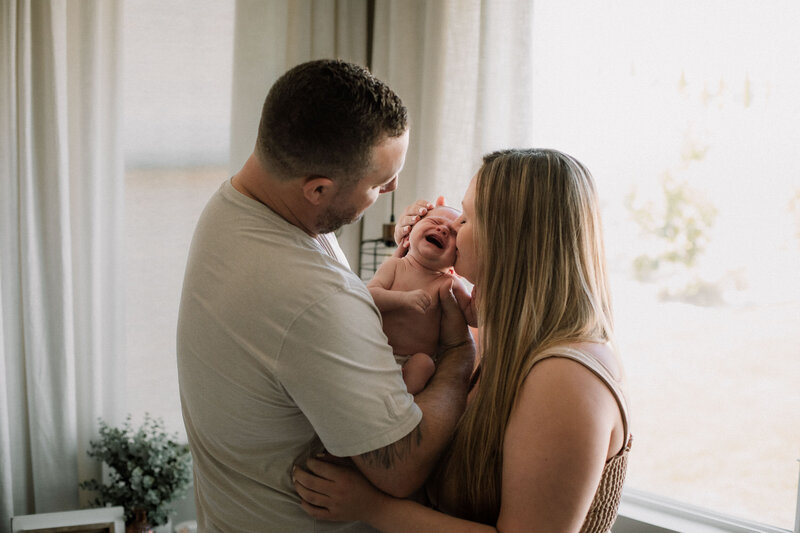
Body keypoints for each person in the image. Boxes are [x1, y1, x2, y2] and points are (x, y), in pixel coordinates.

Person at [176, 59, 475, 532]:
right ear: (317, 188)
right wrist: (459, 355)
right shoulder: (312, 295)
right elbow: (401, 467)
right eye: (380, 184)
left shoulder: (237, 206)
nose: (395, 189)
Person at [292, 148, 632, 532]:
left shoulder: (566, 379)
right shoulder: (493, 331)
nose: (454, 225)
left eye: (467, 217)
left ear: (508, 236)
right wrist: (414, 258)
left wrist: (374, 507)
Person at [368, 205, 477, 394]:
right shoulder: (395, 265)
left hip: (413, 360)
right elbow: (369, 296)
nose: (442, 229)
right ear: (407, 236)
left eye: (452, 234)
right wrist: (403, 299)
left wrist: (482, 281)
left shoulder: (448, 283)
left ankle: (400, 399)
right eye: (434, 222)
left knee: (425, 364)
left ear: (456, 257)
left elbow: (473, 316)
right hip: (377, 350)